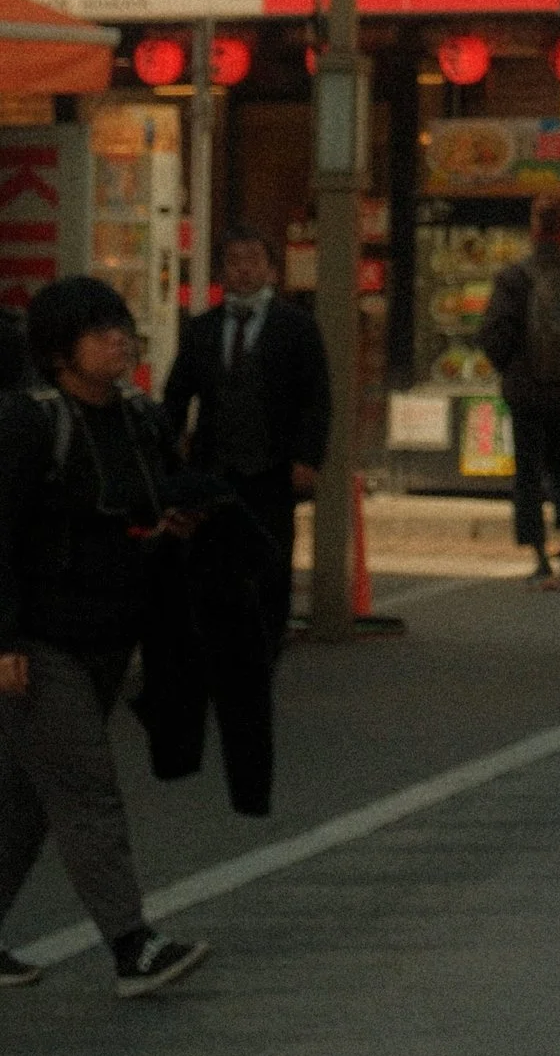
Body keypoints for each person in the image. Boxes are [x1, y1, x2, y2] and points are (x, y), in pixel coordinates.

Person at [0, 278, 211, 999]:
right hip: (37, 641)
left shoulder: (138, 419)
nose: (118, 339)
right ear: (61, 351)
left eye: (122, 326)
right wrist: (3, 642)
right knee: (87, 789)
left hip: (109, 635)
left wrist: (178, 521)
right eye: (100, 330)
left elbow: (154, 499)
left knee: (27, 797)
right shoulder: (31, 424)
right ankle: (132, 945)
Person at [161, 228, 331, 591]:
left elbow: (316, 398)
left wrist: (307, 459)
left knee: (270, 553)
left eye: (254, 261)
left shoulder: (296, 327)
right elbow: (177, 393)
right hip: (213, 462)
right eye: (234, 262)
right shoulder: (202, 328)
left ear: (271, 271)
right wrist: (169, 454)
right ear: (221, 272)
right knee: (211, 556)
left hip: (272, 463)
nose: (244, 270)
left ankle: (269, 633)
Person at [480, 195, 560, 585]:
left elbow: (494, 336)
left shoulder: (514, 278)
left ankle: (537, 554)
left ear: (535, 229)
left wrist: (513, 369)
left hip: (527, 393)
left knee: (527, 473)